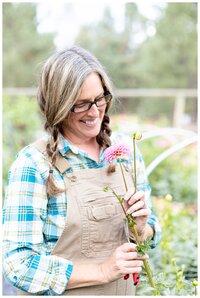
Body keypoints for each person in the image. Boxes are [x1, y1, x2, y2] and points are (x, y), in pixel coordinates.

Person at [3, 46, 161, 296]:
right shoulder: (34, 164)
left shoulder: (124, 152)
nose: (96, 111)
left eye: (100, 99)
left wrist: (140, 229)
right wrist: (102, 271)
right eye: (81, 104)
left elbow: (150, 231)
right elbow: (18, 265)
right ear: (58, 105)